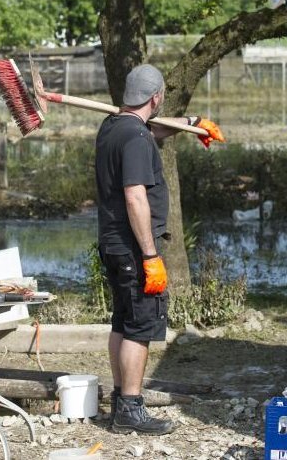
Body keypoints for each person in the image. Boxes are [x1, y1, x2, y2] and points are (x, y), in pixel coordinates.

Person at [95, 63, 223, 435]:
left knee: (123, 319)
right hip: (135, 248)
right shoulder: (135, 139)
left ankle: (121, 399)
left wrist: (193, 121)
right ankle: (131, 409)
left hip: (113, 243)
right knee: (140, 325)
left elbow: (152, 127)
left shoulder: (113, 127)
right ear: (156, 97)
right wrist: (150, 256)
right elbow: (135, 197)